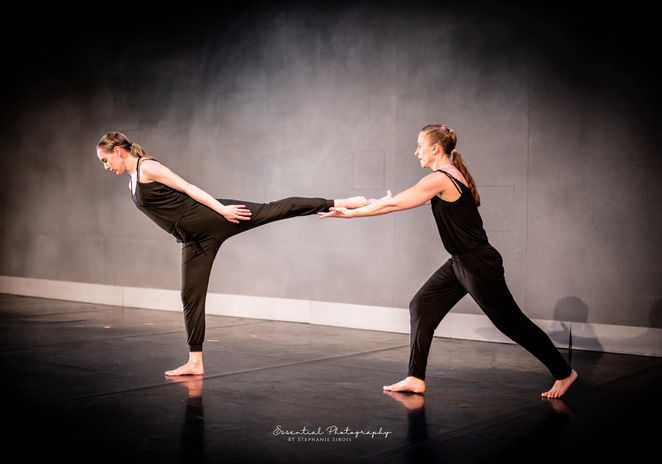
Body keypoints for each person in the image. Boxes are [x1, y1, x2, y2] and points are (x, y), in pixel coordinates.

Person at [319, 124, 577, 398]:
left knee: (512, 323)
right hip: (460, 263)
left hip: (478, 264)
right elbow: (395, 200)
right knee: (422, 304)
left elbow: (393, 205)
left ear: (435, 148)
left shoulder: (441, 178)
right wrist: (351, 204)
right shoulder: (444, 178)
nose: (416, 151)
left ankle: (564, 373)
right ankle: (415, 378)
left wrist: (350, 215)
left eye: (420, 145)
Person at [96, 131, 368, 376]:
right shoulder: (132, 180)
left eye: (105, 160)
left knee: (273, 210)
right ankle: (195, 362)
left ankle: (340, 202)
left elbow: (188, 188)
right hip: (194, 240)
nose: (106, 166)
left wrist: (222, 209)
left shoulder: (148, 167)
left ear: (118, 151)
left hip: (214, 217)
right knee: (190, 295)